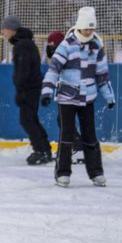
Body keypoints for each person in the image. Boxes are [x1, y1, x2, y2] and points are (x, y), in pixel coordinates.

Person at [40, 6, 115, 187]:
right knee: (66, 136)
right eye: (86, 28)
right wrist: (47, 91)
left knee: (90, 136)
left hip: (88, 98)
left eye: (91, 28)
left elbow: (102, 74)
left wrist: (109, 97)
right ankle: (62, 173)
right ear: (79, 26)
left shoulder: (97, 46)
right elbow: (54, 69)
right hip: (67, 97)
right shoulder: (67, 45)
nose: (89, 31)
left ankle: (96, 172)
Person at [1, 16, 51, 165]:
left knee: (27, 120)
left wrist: (21, 91)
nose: (3, 32)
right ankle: (44, 149)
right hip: (31, 88)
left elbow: (23, 70)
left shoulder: (22, 46)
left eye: (4, 29)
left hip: (29, 89)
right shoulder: (25, 43)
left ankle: (41, 151)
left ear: (11, 29)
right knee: (31, 119)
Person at [46, 30, 82, 161]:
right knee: (63, 121)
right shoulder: (61, 56)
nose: (50, 50)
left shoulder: (67, 54)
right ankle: (77, 147)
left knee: (64, 120)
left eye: (52, 46)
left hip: (74, 92)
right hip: (68, 93)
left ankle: (79, 148)